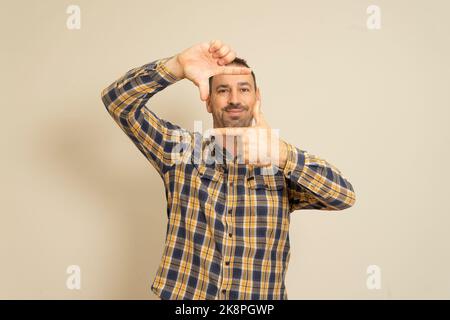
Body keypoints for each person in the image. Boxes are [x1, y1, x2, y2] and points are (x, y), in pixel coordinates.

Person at [101, 40, 356, 300]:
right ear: (208, 101)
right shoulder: (180, 151)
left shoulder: (283, 164)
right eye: (223, 90)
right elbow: (118, 102)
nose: (234, 99)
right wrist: (177, 66)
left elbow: (344, 196)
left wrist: (281, 154)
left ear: (258, 97)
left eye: (243, 89)